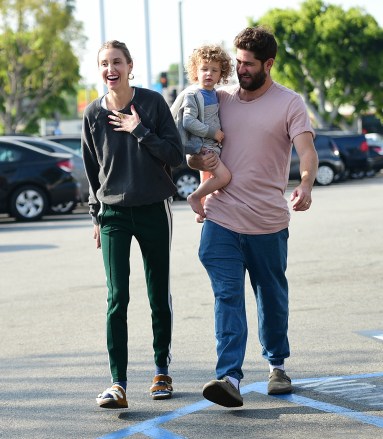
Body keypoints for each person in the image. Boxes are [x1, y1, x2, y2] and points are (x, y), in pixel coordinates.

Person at [188, 26, 319, 408]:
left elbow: (307, 152)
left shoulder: (290, 103)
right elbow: (201, 150)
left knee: (272, 299)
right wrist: (201, 173)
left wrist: (306, 184)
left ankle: (277, 364)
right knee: (227, 296)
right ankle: (229, 376)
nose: (239, 69)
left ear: (268, 64)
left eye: (248, 64)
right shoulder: (219, 99)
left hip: (267, 223)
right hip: (222, 219)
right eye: (238, 61)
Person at [81, 40, 184, 409]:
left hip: (155, 208)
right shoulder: (93, 114)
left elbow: (175, 154)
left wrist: (139, 129)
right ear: (100, 70)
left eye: (117, 62)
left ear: (130, 66)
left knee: (158, 294)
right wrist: (96, 216)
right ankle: (117, 383)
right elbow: (92, 173)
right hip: (113, 216)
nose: (111, 69)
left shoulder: (153, 103)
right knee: (116, 298)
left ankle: (161, 371)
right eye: (105, 64)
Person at [171, 45, 233, 222]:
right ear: (195, 71)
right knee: (224, 176)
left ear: (221, 74)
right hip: (204, 145)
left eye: (214, 70)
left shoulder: (213, 93)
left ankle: (202, 211)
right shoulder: (194, 94)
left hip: (211, 145)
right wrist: (213, 133)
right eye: (204, 69)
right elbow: (188, 121)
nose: (208, 74)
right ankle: (195, 197)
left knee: (207, 178)